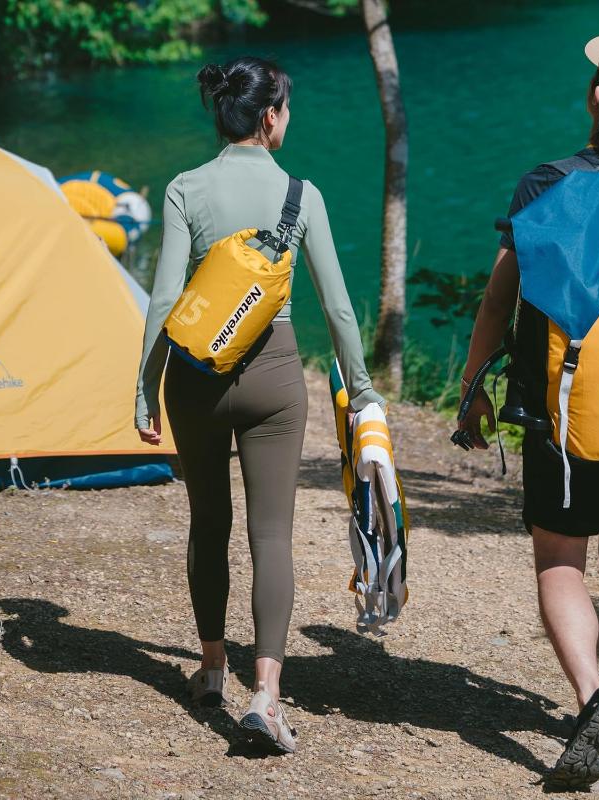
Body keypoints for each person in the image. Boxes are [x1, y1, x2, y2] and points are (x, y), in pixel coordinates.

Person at [135, 57, 384, 754]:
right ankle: (267, 696)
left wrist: (144, 385)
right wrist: (361, 391)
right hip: (274, 376)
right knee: (271, 534)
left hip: (196, 378)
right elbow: (337, 306)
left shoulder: (186, 187)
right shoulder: (303, 195)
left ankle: (213, 665)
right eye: (288, 110)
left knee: (207, 522)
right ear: (270, 116)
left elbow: (163, 300)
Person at [458, 35, 599, 789]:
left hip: (559, 413)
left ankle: (593, 701)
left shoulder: (546, 185)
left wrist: (473, 390)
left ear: (597, 100)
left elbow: (500, 299)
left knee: (561, 559)